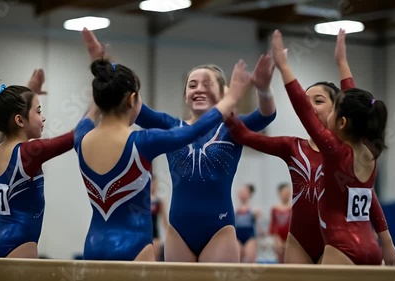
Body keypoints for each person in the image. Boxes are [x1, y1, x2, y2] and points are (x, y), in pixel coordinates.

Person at [80, 28, 277, 262]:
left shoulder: (233, 128)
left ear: (224, 92)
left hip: (219, 230)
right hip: (178, 231)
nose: (199, 89)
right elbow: (122, 96)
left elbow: (266, 116)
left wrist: (263, 90)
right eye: (192, 85)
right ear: (185, 95)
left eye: (207, 84)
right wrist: (103, 65)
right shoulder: (170, 125)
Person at [226, 29, 395, 265]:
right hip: (305, 241)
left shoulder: (336, 150)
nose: (312, 109)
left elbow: (370, 198)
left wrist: (284, 67)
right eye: (309, 102)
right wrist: (342, 63)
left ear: (340, 116)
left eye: (319, 102)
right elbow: (248, 137)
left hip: (337, 246)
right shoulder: (361, 150)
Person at [0, 70, 98, 258]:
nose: (43, 118)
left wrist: (30, 90)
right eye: (39, 111)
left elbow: (9, 116)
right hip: (19, 244)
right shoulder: (29, 153)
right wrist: (100, 101)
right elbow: (76, 136)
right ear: (19, 120)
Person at [235, 184, 261, 263]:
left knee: (250, 260)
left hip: (250, 237)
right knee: (236, 260)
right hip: (237, 237)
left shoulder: (255, 210)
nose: (242, 194)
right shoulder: (234, 210)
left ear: (249, 194)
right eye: (241, 192)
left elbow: (259, 226)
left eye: (244, 192)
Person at [268, 183, 292, 263]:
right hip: (279, 239)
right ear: (279, 193)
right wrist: (276, 240)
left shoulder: (293, 208)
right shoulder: (275, 209)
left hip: (291, 238)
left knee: (290, 260)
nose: (286, 195)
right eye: (284, 193)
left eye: (288, 193)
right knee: (281, 261)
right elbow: (273, 226)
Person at [150, 175, 168, 261]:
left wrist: (168, 237)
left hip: (155, 235)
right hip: (145, 233)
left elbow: (165, 221)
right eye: (153, 183)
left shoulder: (159, 201)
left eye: (156, 184)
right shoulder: (142, 201)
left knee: (155, 259)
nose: (154, 186)